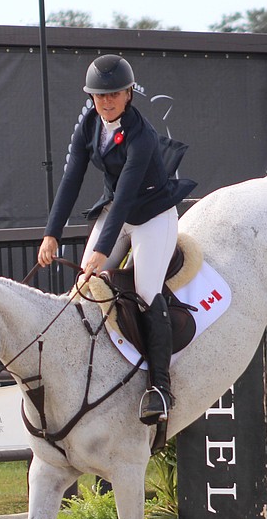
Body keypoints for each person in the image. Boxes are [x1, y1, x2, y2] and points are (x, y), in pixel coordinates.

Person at [37, 54, 196, 425]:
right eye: (98, 96)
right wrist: (51, 233)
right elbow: (71, 179)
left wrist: (101, 251)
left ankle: (160, 387)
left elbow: (126, 196)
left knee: (145, 289)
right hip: (116, 213)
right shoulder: (89, 123)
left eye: (112, 95)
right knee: (83, 286)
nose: (105, 103)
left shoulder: (141, 136)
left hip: (152, 215)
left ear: (128, 94)